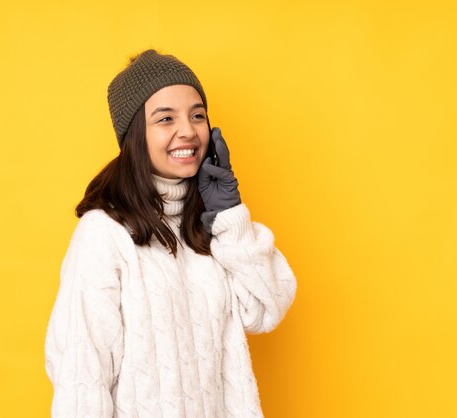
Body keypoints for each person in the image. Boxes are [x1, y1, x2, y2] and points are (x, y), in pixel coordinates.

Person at [44, 48, 297, 417]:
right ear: (134, 135)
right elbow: (82, 379)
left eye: (197, 115)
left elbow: (264, 309)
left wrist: (229, 215)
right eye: (165, 119)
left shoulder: (210, 228)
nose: (188, 131)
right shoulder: (104, 234)